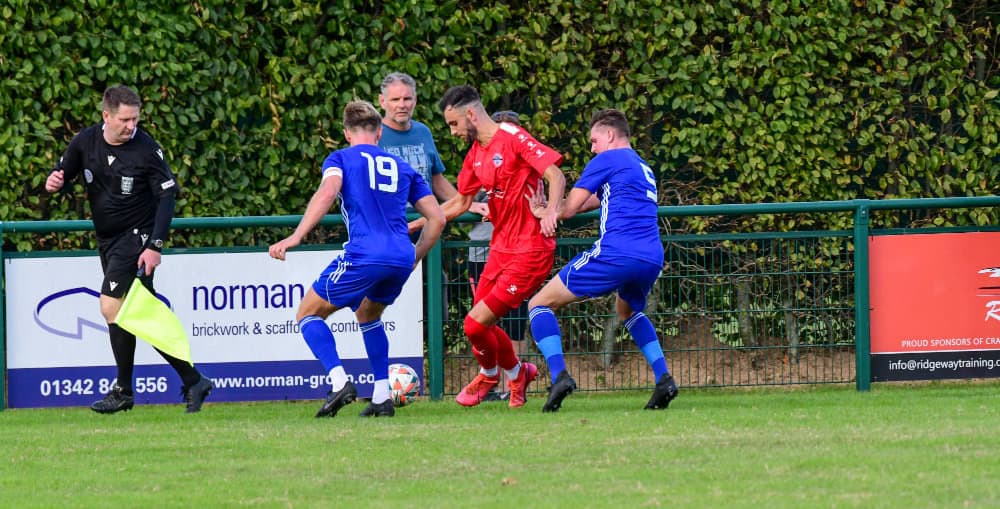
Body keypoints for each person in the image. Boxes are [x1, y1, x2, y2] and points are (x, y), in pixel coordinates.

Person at [269, 100, 445, 418]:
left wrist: (296, 236)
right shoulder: (402, 167)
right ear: (379, 133)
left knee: (307, 314)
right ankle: (382, 397)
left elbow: (327, 192)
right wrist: (415, 256)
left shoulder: (340, 158)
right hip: (400, 257)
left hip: (365, 253)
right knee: (368, 314)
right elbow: (437, 218)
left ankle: (339, 383)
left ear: (347, 133)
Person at [44, 84, 213, 414]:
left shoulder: (146, 148)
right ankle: (193, 379)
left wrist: (155, 245)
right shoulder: (85, 141)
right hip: (108, 241)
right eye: (124, 120)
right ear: (106, 116)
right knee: (135, 313)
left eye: (135, 119)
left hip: (136, 238)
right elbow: (64, 172)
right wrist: (55, 181)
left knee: (111, 306)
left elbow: (167, 196)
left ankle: (124, 390)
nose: (131, 126)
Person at [410, 85, 566, 408]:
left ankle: (489, 375)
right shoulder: (476, 155)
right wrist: (415, 224)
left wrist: (551, 210)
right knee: (480, 324)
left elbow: (555, 174)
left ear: (470, 114)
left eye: (454, 124)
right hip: (500, 248)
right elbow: (460, 203)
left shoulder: (512, 136)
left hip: (530, 250)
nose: (453, 132)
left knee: (474, 323)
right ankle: (518, 373)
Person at [526, 108, 678, 412]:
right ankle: (664, 379)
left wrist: (546, 211)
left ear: (609, 135)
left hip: (616, 253)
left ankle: (559, 377)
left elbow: (570, 209)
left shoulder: (607, 159)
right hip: (651, 257)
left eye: (594, 141)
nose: (593, 149)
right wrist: (557, 207)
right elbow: (593, 200)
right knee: (627, 310)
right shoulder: (641, 166)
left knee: (539, 304)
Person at [471, 111, 530, 403]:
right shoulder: (480, 161)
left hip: (519, 256)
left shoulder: (530, 167)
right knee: (481, 322)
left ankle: (513, 385)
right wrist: (476, 207)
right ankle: (494, 380)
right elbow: (461, 199)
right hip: (483, 255)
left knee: (515, 323)